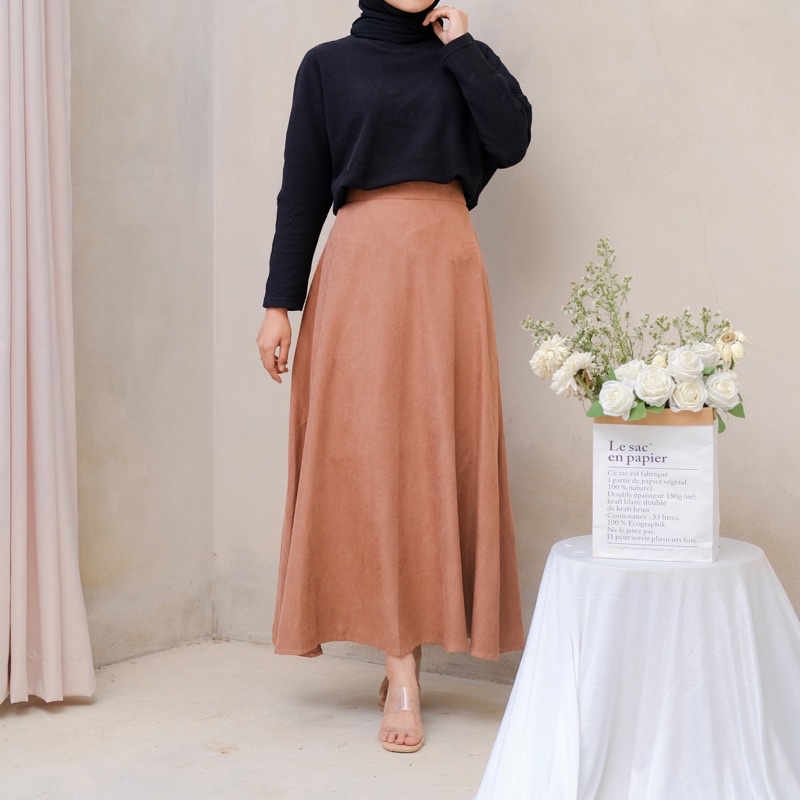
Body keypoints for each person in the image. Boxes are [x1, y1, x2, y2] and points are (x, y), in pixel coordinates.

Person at [257, 0, 531, 754]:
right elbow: (301, 189)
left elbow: (511, 140)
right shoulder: (327, 66)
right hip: (360, 269)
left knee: (434, 454)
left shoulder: (458, 55)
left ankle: (410, 653)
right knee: (372, 458)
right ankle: (400, 665)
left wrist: (464, 49)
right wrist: (279, 305)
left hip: (446, 270)